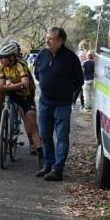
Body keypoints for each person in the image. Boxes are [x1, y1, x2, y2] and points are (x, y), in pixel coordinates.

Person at [34, 27, 84, 181]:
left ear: (60, 41)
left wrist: (67, 94)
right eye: (46, 37)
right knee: (45, 135)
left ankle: (58, 169)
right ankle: (48, 164)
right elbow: (37, 73)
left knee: (62, 137)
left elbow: (79, 81)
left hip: (62, 105)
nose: (47, 40)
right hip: (44, 103)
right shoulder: (42, 54)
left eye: (51, 38)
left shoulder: (70, 58)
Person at [0, 41, 43, 166]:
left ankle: (40, 154)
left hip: (25, 96)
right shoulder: (1, 66)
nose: (0, 60)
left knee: (31, 123)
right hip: (13, 93)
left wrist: (4, 88)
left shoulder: (21, 65)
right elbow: (2, 83)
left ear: (11, 57)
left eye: (3, 57)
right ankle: (0, 123)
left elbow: (24, 83)